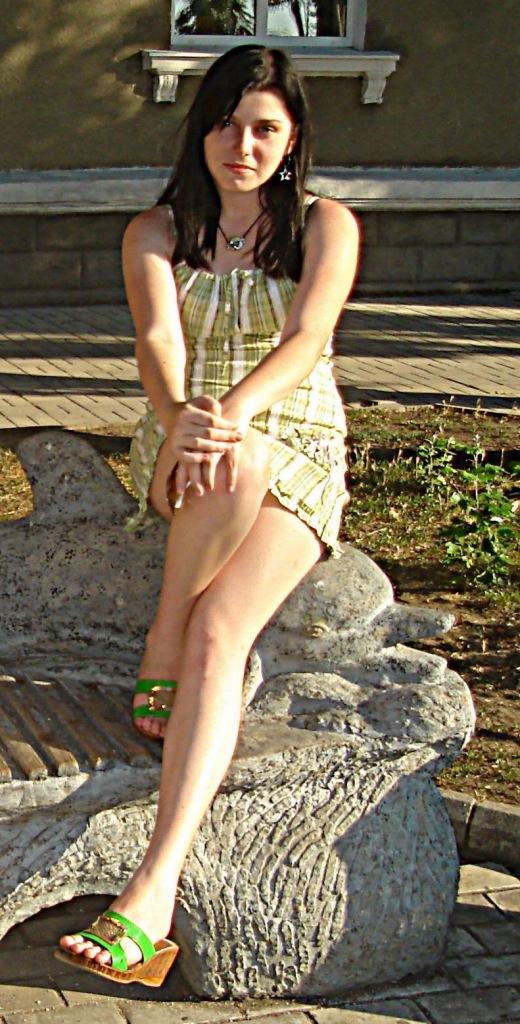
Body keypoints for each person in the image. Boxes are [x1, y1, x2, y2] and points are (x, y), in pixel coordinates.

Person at [56, 43, 359, 988]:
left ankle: (152, 894)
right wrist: (183, 414)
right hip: (181, 441)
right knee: (232, 461)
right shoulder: (155, 230)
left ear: (292, 138)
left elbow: (307, 339)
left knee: (221, 634)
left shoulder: (326, 226)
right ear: (202, 132)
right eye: (227, 124)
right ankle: (166, 632)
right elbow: (156, 338)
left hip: (295, 438)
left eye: (265, 128)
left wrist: (231, 413)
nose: (244, 145)